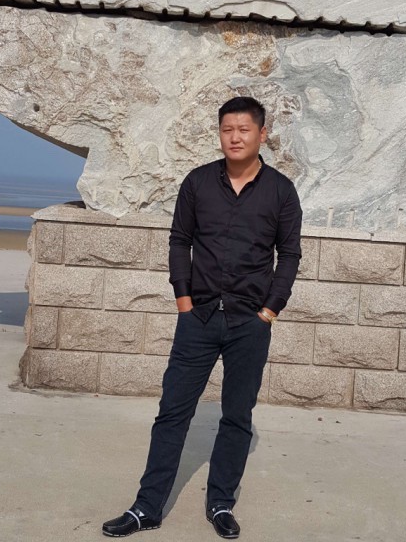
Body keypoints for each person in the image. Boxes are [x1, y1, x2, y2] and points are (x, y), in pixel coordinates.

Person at [102, 96, 303, 539]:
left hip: (250, 323)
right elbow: (180, 240)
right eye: (227, 129)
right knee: (172, 413)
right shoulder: (197, 183)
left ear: (262, 134)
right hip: (199, 318)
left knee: (237, 416)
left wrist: (270, 310)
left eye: (244, 129)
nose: (235, 137)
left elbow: (289, 255)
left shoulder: (281, 191)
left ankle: (220, 503)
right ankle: (147, 507)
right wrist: (183, 300)